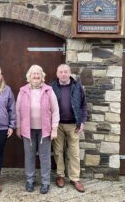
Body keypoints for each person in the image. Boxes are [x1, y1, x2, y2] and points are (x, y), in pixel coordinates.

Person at [16, 64, 59, 194]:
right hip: (27, 130)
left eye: (38, 73)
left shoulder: (48, 90)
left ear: (42, 76)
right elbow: (17, 111)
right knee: (29, 156)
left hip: (44, 130)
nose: (35, 76)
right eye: (33, 73)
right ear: (29, 76)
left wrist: (54, 128)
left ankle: (45, 182)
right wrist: (18, 127)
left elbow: (55, 110)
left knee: (45, 157)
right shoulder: (23, 90)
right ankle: (30, 180)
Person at [51, 64, 87, 193]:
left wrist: (82, 121)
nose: (63, 74)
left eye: (66, 72)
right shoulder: (52, 87)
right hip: (57, 125)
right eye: (61, 72)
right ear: (57, 73)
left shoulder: (77, 87)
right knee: (58, 151)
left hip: (74, 125)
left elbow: (83, 105)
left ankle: (75, 178)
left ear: (70, 73)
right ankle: (60, 176)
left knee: (74, 153)